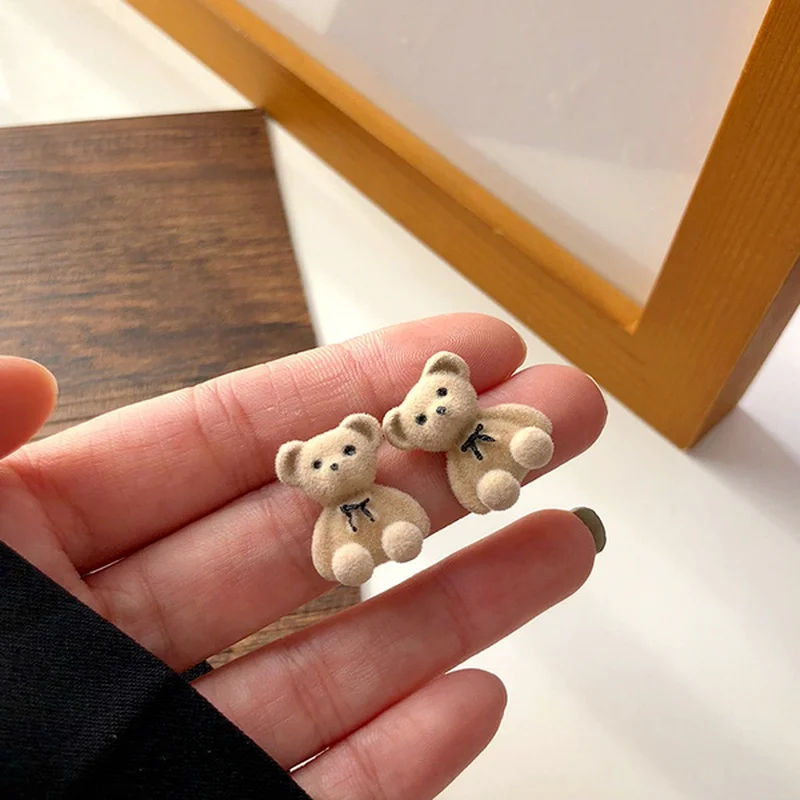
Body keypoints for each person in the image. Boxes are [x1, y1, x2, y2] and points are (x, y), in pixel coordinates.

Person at [0, 314, 606, 799]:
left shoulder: (413, 459)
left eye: (441, 397)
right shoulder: (332, 512)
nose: (336, 466)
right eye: (320, 464)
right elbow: (342, 547)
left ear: (373, 440)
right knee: (364, 552)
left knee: (443, 502)